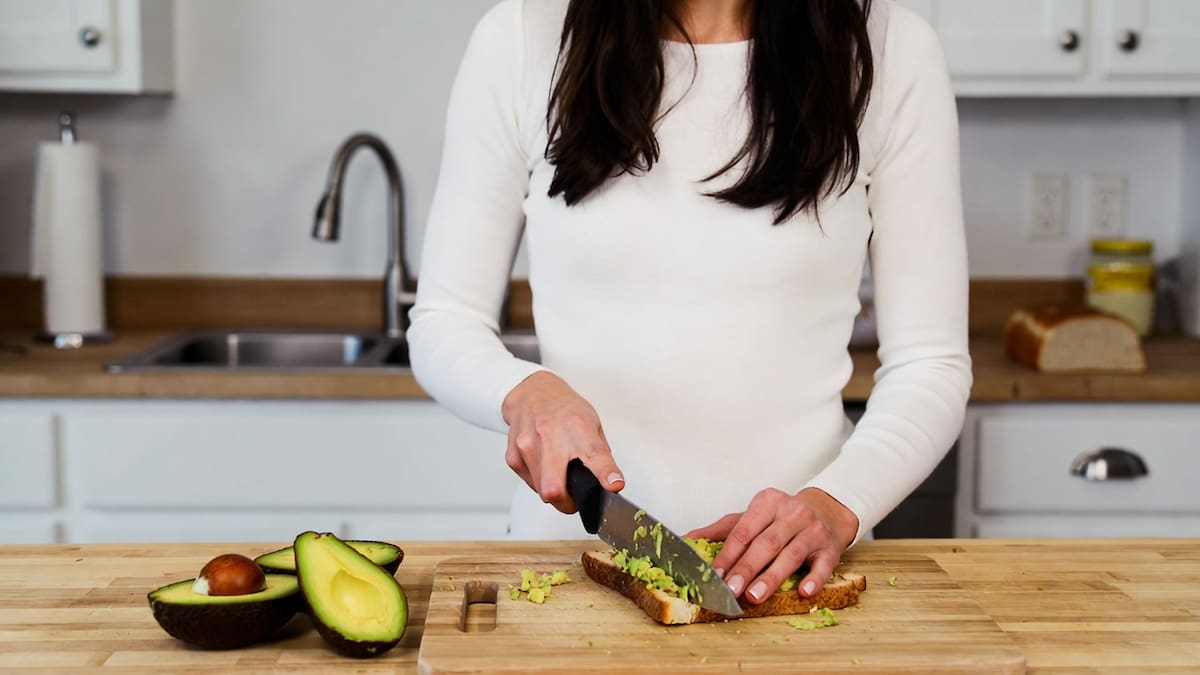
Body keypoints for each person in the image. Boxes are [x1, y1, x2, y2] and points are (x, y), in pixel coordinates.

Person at [409, 0, 970, 606]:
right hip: (568, 577)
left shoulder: (891, 49)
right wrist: (526, 391)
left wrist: (838, 503)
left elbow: (930, 363)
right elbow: (445, 322)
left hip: (796, 579)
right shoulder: (520, 39)